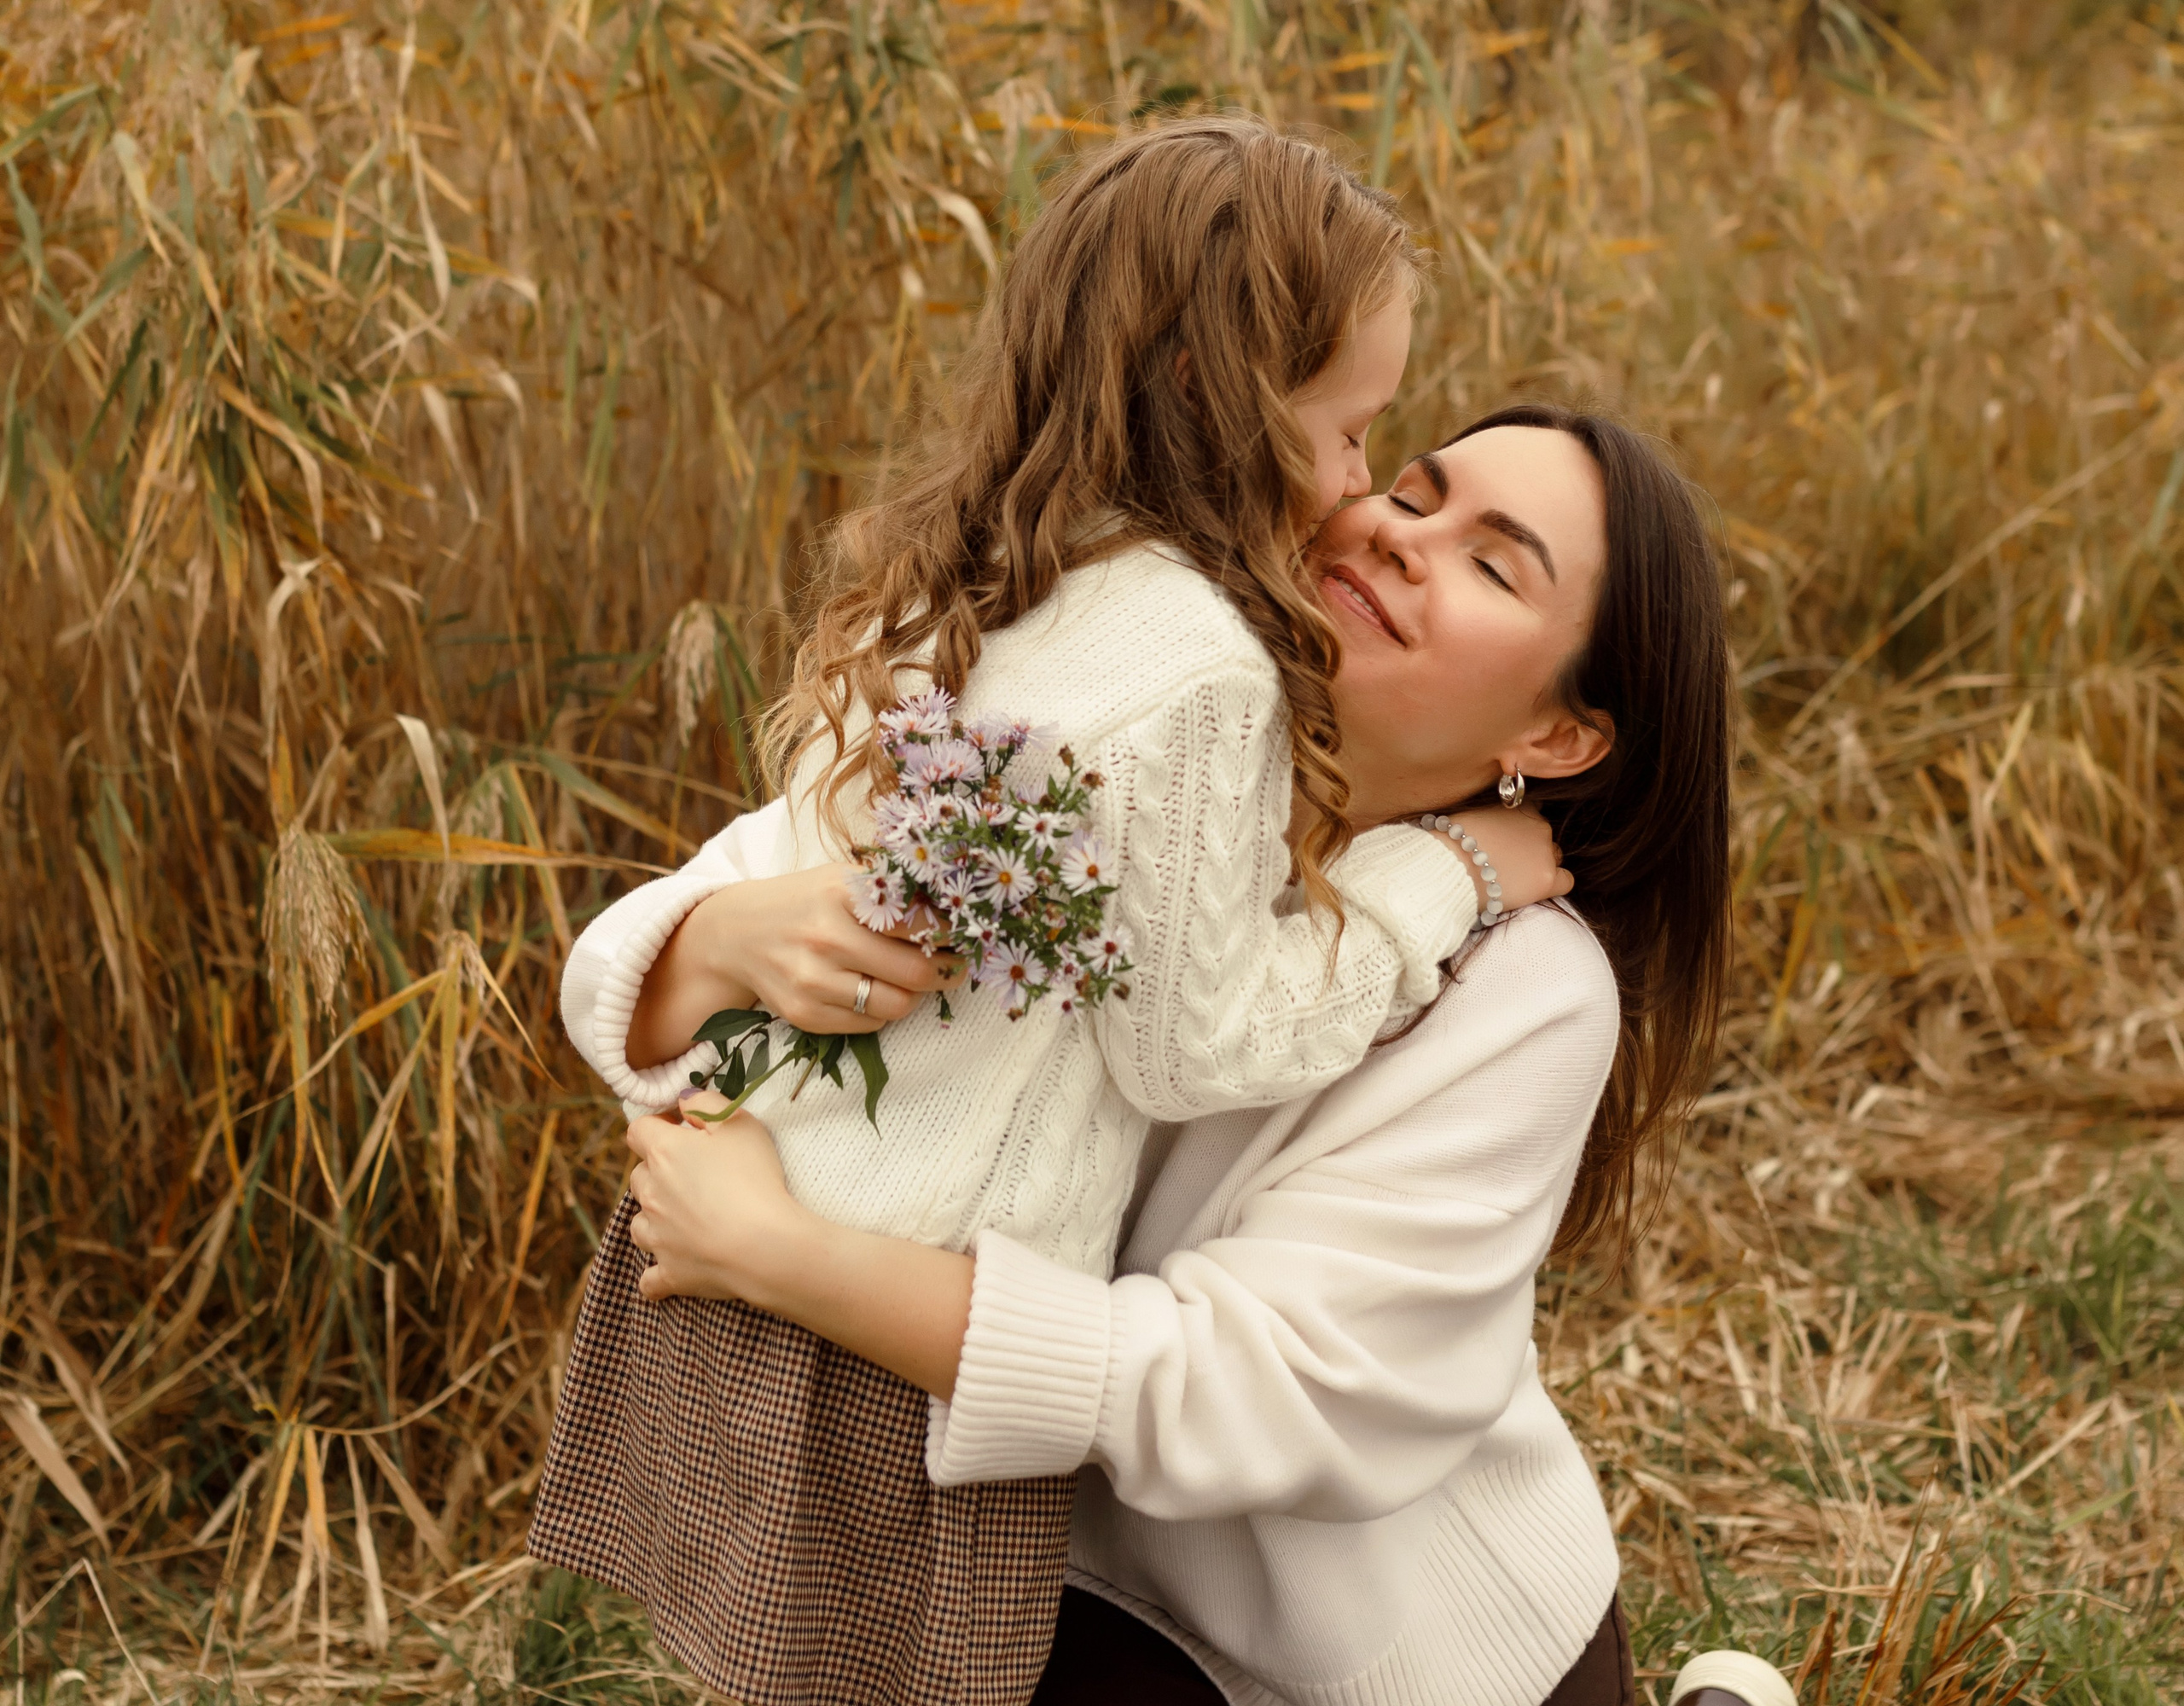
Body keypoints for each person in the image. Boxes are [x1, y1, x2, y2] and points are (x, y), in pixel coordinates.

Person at [529, 120, 1571, 1706]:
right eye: (1362, 438)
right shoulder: (1203, 678)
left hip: (766, 1262)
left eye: (1488, 558)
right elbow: (1194, 1045)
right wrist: (1439, 878)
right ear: (1233, 401)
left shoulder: (971, 572)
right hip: (882, 1336)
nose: (1362, 493)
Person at [567, 406, 1798, 1706]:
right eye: (1414, 492)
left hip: (1376, 1665)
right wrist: (727, 940)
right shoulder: (1133, 747)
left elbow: (1263, 1391)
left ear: (1557, 741)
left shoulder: (1528, 992)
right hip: (1057, 1597)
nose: (1398, 536)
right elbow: (627, 976)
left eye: (1493, 563)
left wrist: (794, 1260)